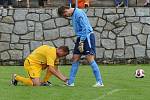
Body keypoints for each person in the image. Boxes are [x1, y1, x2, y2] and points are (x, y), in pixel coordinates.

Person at [58, 6, 104, 87]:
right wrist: (80, 40)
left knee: (90, 58)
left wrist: (82, 41)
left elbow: (85, 28)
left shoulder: (78, 13)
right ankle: (70, 82)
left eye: (65, 15)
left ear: (66, 10)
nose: (66, 16)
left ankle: (99, 82)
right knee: (75, 58)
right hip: (80, 37)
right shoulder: (73, 14)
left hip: (87, 37)